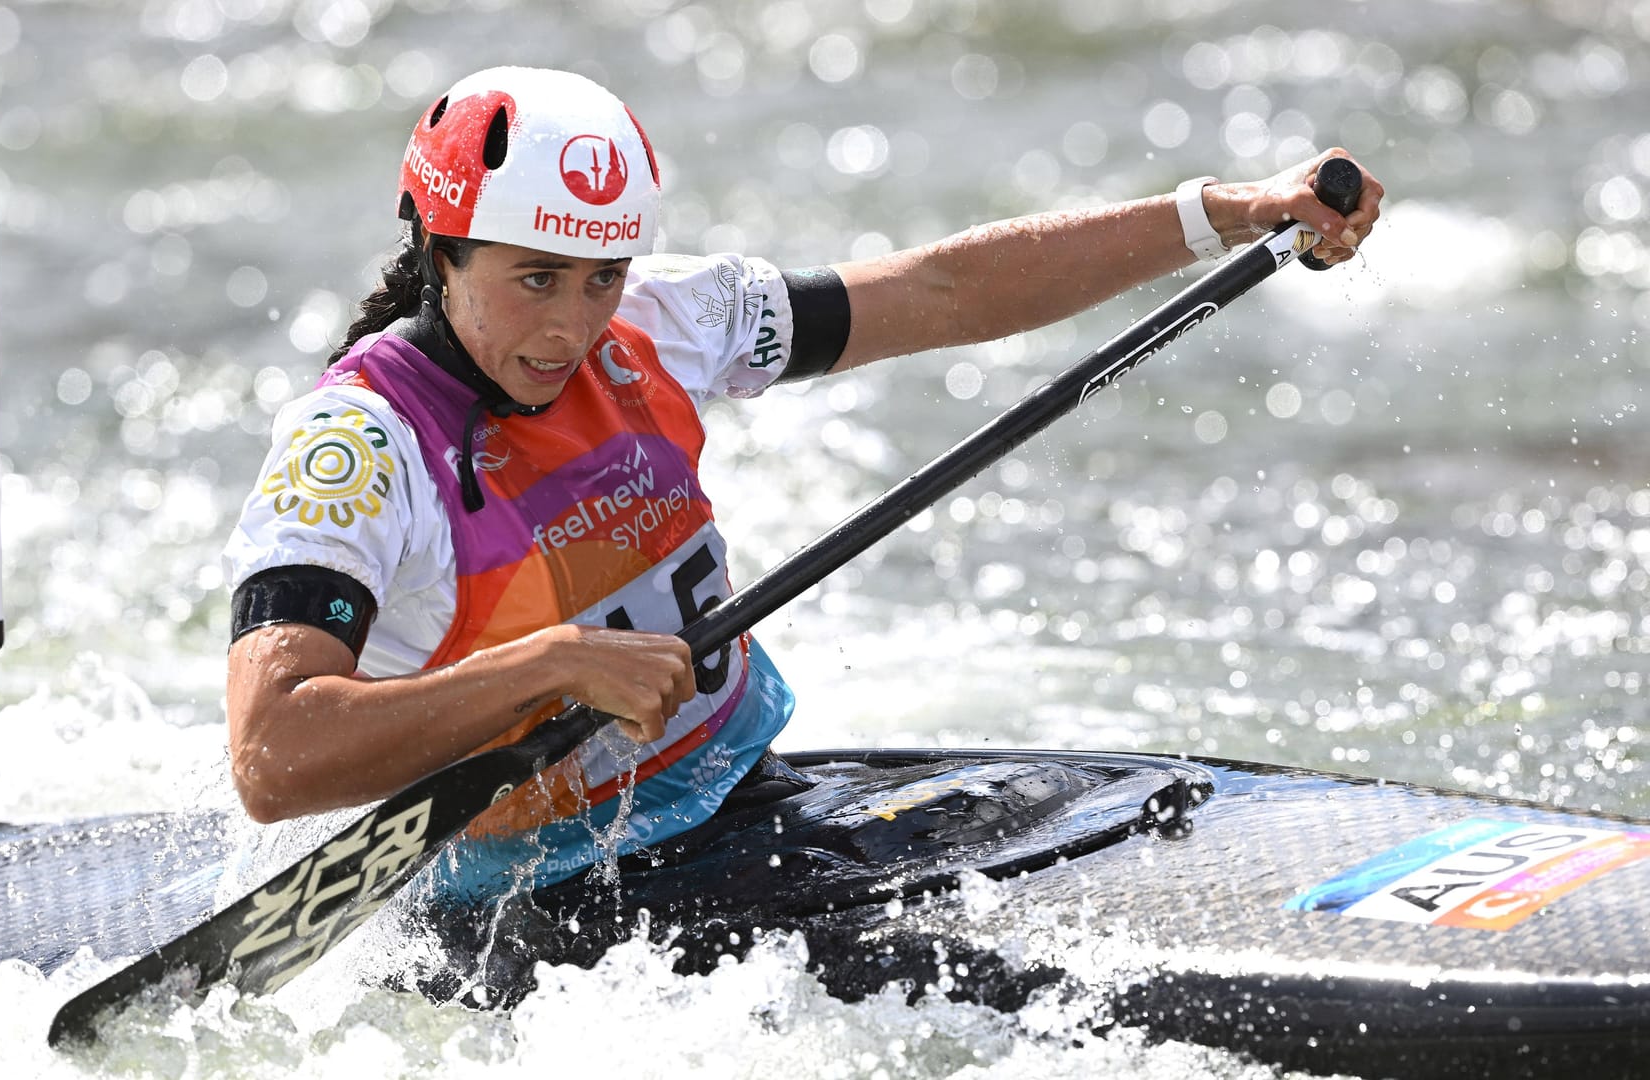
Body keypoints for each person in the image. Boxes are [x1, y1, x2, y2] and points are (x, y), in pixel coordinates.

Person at [219, 66, 1384, 903]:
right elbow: (273, 756)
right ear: (440, 249)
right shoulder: (357, 452)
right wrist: (546, 665)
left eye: (599, 279)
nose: (571, 326)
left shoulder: (662, 323)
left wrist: (1220, 216)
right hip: (548, 894)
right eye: (535, 280)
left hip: (745, 798)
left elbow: (939, 294)